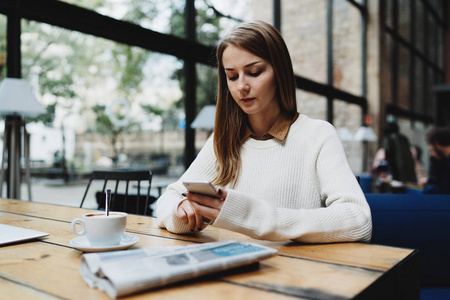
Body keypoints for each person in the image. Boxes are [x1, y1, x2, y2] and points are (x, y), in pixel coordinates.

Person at [156, 21, 372, 243]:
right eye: (232, 77)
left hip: (297, 273)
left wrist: (250, 216)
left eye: (254, 72)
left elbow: (358, 219)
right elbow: (167, 200)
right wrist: (182, 210)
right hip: (228, 270)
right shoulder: (223, 140)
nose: (241, 86)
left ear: (279, 72)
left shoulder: (317, 135)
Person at [422, 127, 450, 194]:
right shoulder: (446, 161)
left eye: (431, 150)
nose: (432, 155)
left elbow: (445, 189)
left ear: (436, 144)